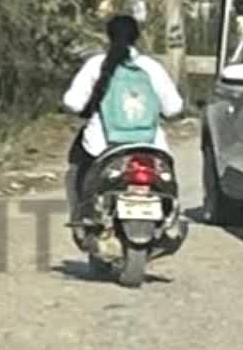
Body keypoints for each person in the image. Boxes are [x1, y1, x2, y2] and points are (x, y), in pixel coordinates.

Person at [61, 15, 184, 223]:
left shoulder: (95, 65)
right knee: (168, 183)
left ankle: (82, 220)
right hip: (151, 145)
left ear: (108, 36)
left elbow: (73, 103)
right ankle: (170, 220)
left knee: (76, 172)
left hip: (102, 147)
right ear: (137, 37)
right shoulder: (151, 67)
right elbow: (174, 108)